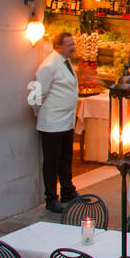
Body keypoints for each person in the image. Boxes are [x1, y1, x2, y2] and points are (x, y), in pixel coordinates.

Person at [32, 31, 81, 212]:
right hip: (52, 123)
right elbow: (37, 94)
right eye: (69, 45)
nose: (73, 47)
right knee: (52, 161)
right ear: (58, 47)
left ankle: (68, 190)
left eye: (73, 43)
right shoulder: (49, 65)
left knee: (66, 158)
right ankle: (51, 197)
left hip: (66, 121)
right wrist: (41, 113)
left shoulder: (66, 62)